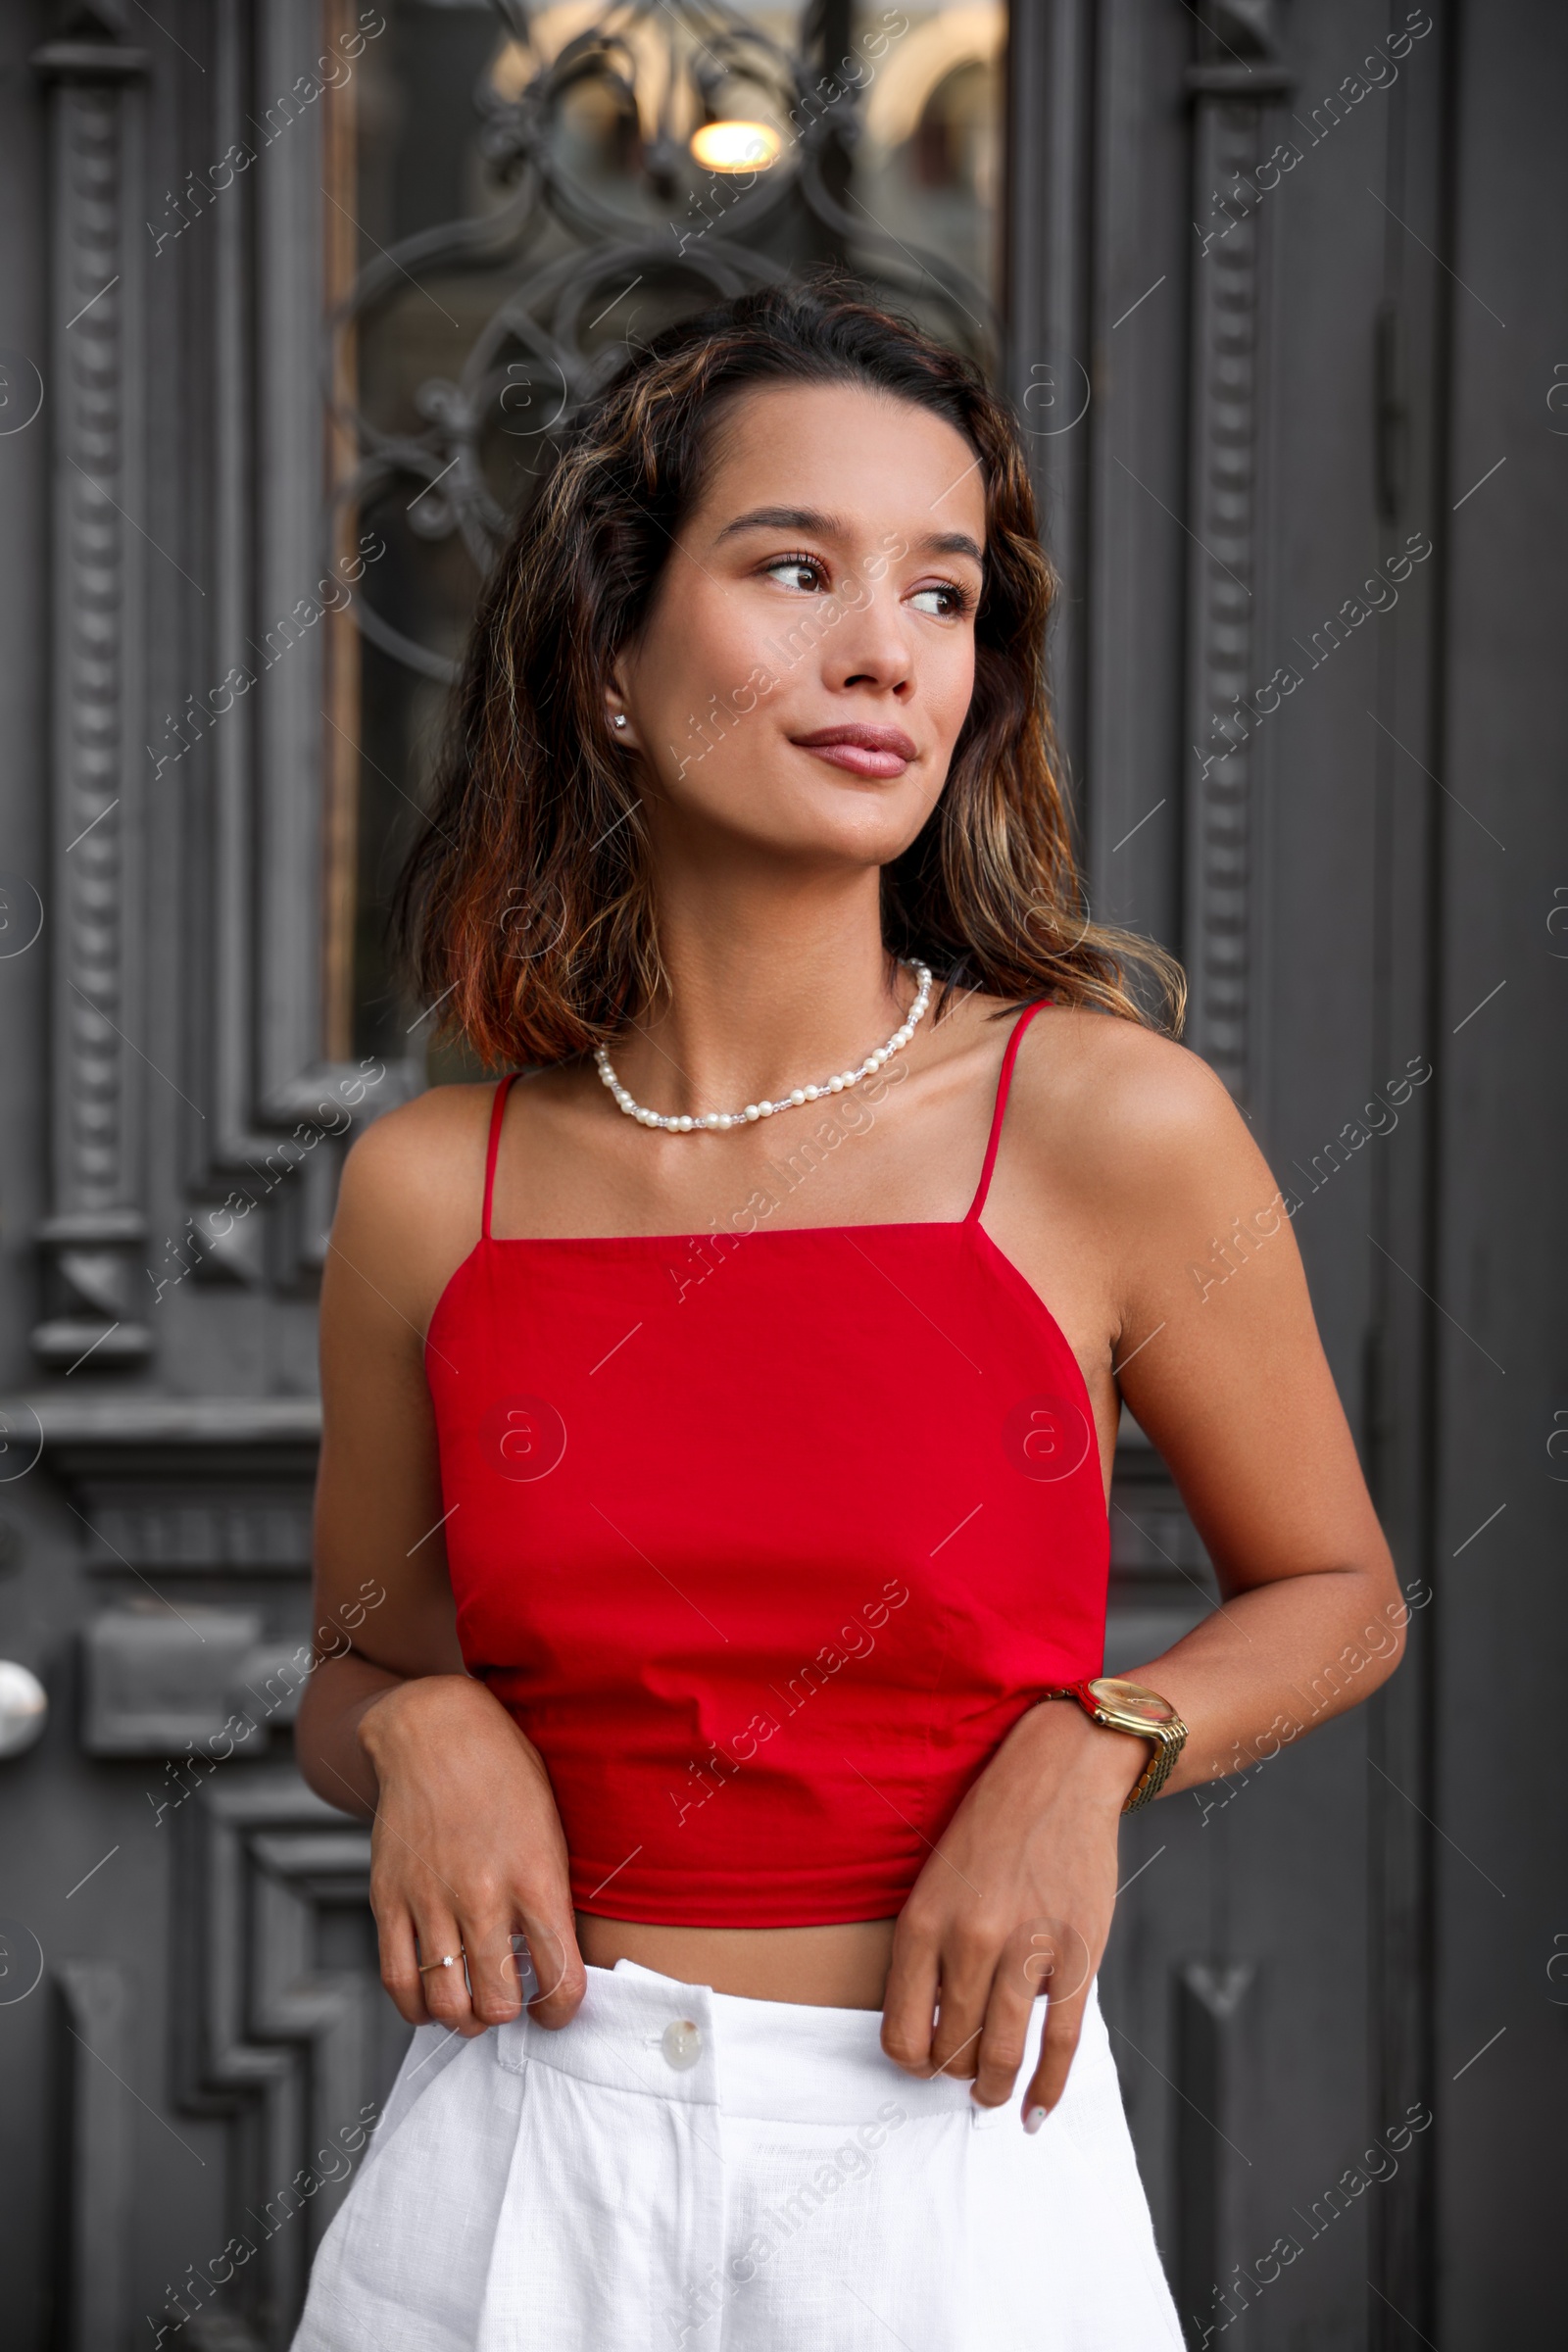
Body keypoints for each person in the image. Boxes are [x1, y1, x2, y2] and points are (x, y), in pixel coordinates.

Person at [291, 275, 1403, 2350]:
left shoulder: (1099, 1121)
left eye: (942, 591)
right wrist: (421, 1725)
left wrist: (1093, 1747)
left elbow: (1336, 1588)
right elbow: (353, 1675)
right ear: (610, 663)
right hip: (519, 2162)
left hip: (952, 2177)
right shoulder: (431, 1188)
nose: (882, 650)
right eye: (790, 568)